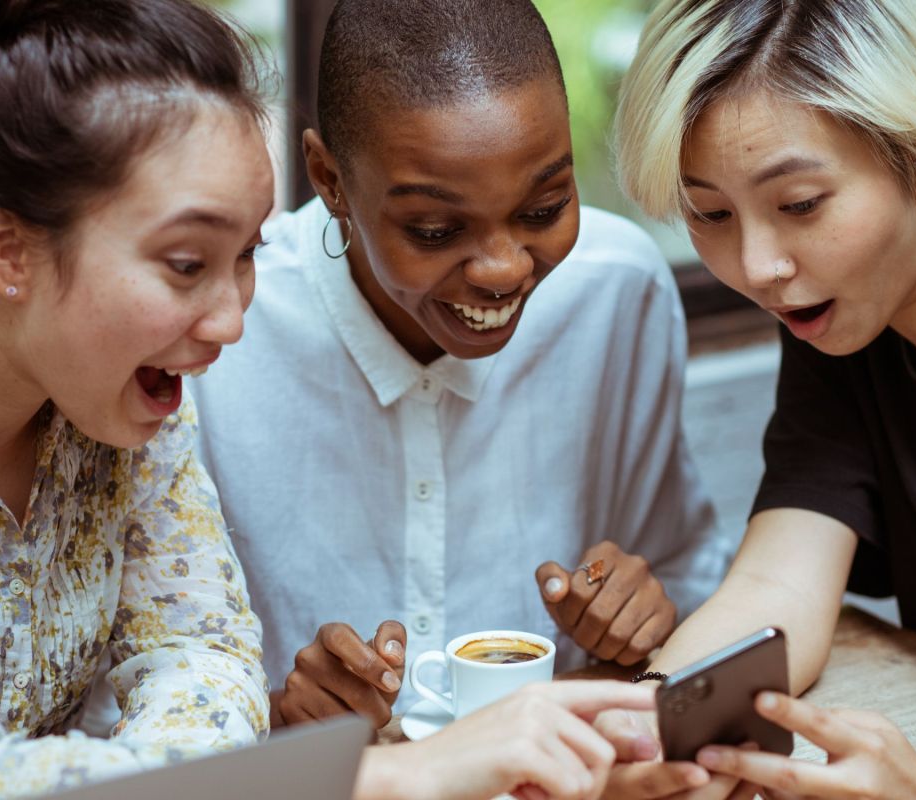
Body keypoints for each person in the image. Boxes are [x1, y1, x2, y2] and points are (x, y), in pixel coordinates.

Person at [0, 1, 661, 798]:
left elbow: (204, 662)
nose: (234, 320)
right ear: (7, 249)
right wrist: (397, 775)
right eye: (183, 263)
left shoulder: (114, 403)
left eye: (244, 256)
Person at [190, 0, 730, 729]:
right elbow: (142, 689)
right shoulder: (221, 345)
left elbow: (687, 582)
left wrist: (641, 615)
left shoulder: (615, 292)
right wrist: (275, 716)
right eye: (436, 229)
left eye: (544, 208)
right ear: (329, 179)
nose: (504, 269)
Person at [608, 0, 916, 797]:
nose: (758, 266)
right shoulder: (846, 321)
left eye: (799, 205)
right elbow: (776, 589)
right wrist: (643, 726)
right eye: (710, 213)